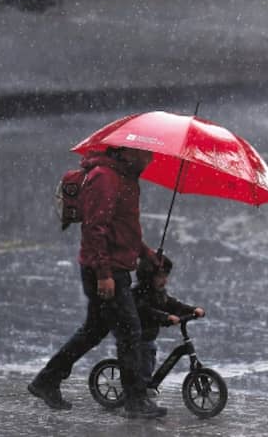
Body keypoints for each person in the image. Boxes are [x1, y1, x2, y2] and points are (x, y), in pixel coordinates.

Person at [28, 146, 167, 419]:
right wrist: (104, 274)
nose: (150, 160)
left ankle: (46, 380)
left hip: (113, 268)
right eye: (146, 155)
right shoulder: (105, 177)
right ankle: (135, 400)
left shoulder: (126, 179)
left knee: (94, 330)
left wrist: (145, 253)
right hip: (105, 271)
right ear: (128, 152)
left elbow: (123, 229)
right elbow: (94, 228)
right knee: (130, 332)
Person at [131, 254, 206, 395]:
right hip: (138, 336)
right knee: (145, 364)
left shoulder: (158, 293)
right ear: (148, 277)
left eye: (166, 276)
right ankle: (139, 394)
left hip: (148, 336)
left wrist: (192, 310)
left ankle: (145, 385)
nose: (164, 281)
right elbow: (146, 311)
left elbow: (172, 304)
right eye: (160, 277)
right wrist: (165, 317)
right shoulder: (139, 294)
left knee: (150, 360)